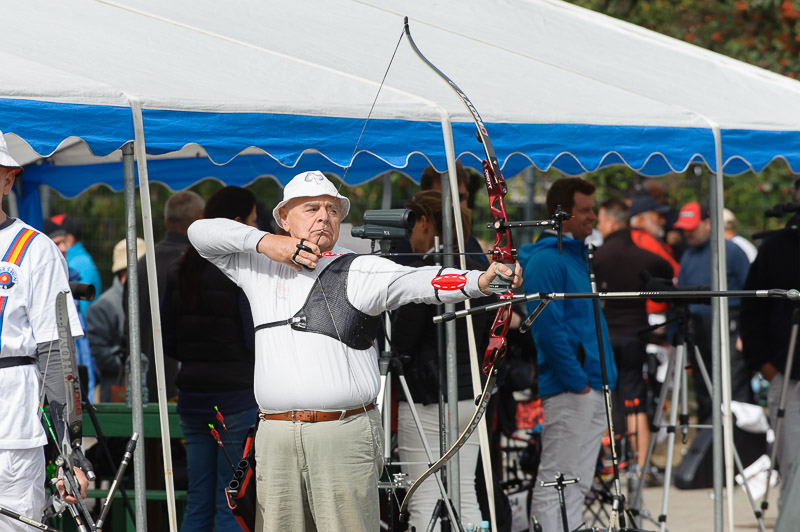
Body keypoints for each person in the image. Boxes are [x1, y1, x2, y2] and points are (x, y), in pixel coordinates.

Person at [187, 170, 521, 531]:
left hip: (341, 433)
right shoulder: (257, 266)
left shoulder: (359, 268)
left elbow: (422, 282)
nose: (324, 217)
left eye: (332, 210)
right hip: (276, 435)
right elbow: (200, 232)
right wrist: (268, 243)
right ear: (283, 217)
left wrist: (482, 281)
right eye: (311, 208)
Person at [517, 177, 617, 532]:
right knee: (556, 481)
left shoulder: (572, 257)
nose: (593, 216)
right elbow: (547, 330)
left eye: (593, 209)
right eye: (585, 210)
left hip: (589, 384)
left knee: (577, 482)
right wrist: (576, 382)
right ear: (562, 214)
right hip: (572, 387)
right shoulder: (548, 261)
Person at [0, 133, 88, 530]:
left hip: (13, 438)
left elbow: (57, 356)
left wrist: (69, 454)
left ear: (8, 180)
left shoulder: (34, 249)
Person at [392, 190, 493, 531]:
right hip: (470, 394)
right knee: (465, 494)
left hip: (428, 397)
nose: (409, 235)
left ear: (424, 221)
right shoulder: (478, 270)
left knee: (424, 497)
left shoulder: (426, 273)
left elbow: (402, 341)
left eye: (411, 224)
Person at [163, 186, 260, 532]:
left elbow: (168, 339)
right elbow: (253, 338)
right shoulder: (239, 272)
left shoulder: (180, 267)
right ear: (236, 222)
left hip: (192, 396)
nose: (256, 227)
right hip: (235, 397)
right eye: (252, 221)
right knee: (231, 498)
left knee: (199, 496)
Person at [593, 198, 673, 470]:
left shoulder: (598, 257)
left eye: (600, 220)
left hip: (605, 334)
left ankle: (609, 460)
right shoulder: (643, 256)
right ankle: (641, 463)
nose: (599, 226)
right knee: (635, 398)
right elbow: (667, 269)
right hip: (635, 334)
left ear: (611, 222)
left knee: (605, 395)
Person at [740, 201, 800, 532]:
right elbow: (752, 309)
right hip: (787, 373)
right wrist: (764, 365)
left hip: (784, 368)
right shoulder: (775, 248)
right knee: (793, 465)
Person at [673, 201, 752, 424]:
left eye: (692, 228)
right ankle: (707, 438)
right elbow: (679, 297)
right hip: (698, 328)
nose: (687, 233)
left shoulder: (732, 252)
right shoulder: (688, 255)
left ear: (708, 224)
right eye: (684, 229)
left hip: (730, 325)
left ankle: (739, 437)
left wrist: (746, 333)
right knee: (704, 386)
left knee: (733, 385)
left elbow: (751, 294)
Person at [132, 190, 205, 400]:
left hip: (144, 380)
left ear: (165, 222)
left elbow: (129, 323)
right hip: (188, 381)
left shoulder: (142, 263)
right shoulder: (199, 264)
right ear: (200, 218)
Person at [87, 237, 145, 402]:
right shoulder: (102, 307)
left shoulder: (149, 301)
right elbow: (102, 355)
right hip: (118, 394)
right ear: (123, 272)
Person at [43, 214, 101, 313]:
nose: (63, 248)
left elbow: (80, 312)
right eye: (57, 244)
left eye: (63, 241)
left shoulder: (76, 265)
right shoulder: (82, 260)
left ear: (69, 238)